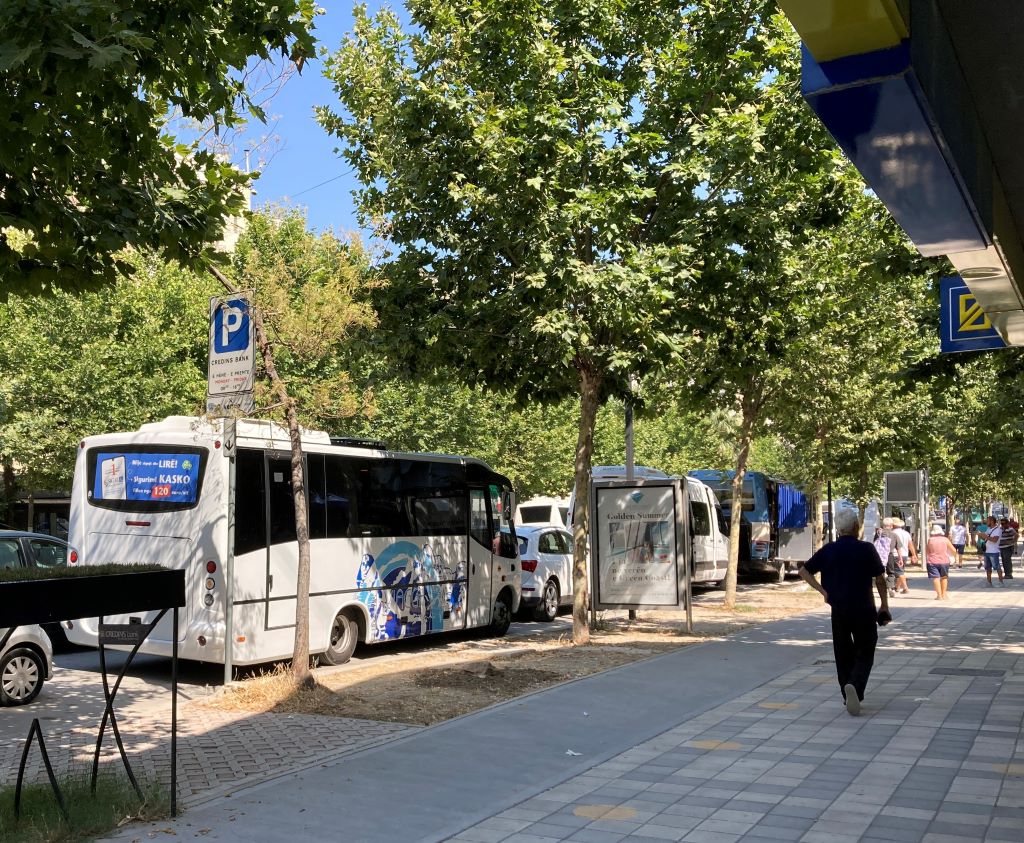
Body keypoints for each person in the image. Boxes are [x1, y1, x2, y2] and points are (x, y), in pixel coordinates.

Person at [800, 508, 891, 717]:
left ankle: (846, 692)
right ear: (856, 527)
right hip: (864, 607)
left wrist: (823, 591)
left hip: (838, 607)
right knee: (866, 649)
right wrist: (884, 605)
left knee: (842, 652)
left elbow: (804, 571)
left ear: (838, 528)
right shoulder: (867, 549)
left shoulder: (828, 549)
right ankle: (855, 686)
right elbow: (879, 579)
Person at [926, 524, 955, 600]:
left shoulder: (930, 540)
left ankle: (939, 595)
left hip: (932, 561)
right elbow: (954, 550)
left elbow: (927, 551)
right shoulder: (945, 540)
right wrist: (954, 557)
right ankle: (944, 594)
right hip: (944, 561)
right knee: (944, 577)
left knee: (935, 578)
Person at [891, 518, 914, 593]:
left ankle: (905, 588)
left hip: (896, 554)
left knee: (899, 572)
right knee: (900, 571)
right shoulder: (906, 533)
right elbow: (910, 545)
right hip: (905, 554)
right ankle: (897, 587)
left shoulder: (892, 533)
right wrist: (913, 554)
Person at [982, 515, 1005, 586]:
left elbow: (995, 540)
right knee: (988, 568)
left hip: (994, 551)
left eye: (988, 521)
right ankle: (989, 582)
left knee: (997, 566)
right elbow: (986, 539)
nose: (986, 522)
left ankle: (1001, 582)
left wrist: (985, 536)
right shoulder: (988, 529)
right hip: (987, 551)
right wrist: (981, 535)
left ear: (992, 521)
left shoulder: (998, 530)